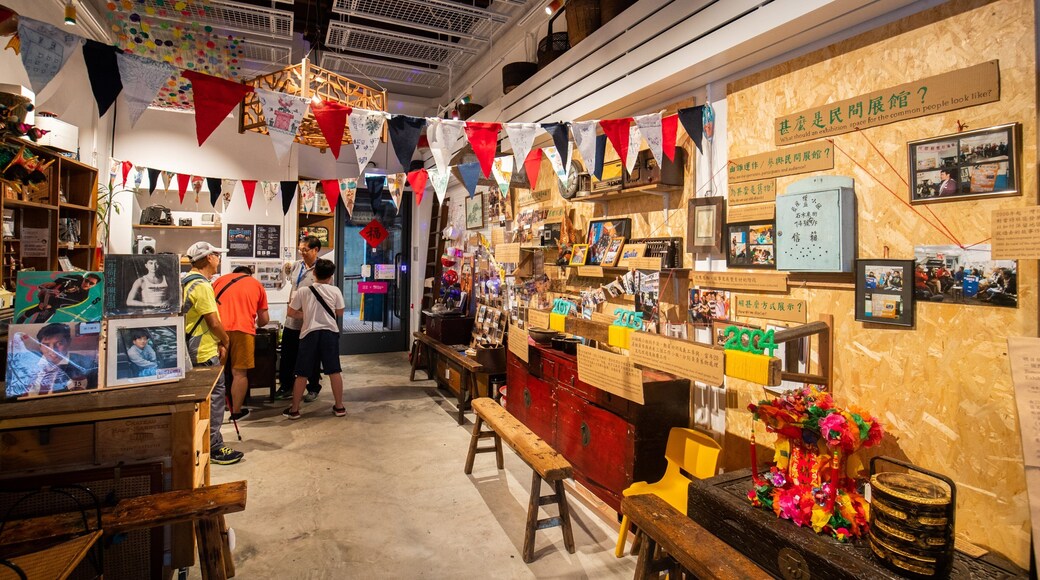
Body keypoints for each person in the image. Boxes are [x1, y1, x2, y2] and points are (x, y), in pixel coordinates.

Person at [182, 241, 242, 466]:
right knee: (215, 398)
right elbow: (213, 321)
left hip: (192, 348)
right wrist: (226, 340)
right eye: (216, 255)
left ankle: (202, 441)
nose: (218, 258)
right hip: (204, 350)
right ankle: (214, 446)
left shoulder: (185, 281)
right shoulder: (202, 286)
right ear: (208, 258)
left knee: (203, 399)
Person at [282, 259, 346, 419]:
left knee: (302, 373)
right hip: (330, 333)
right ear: (331, 276)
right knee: (334, 370)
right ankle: (339, 407)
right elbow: (339, 312)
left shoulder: (303, 291)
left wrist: (306, 315)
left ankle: (295, 409)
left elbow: (291, 312)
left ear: (314, 273)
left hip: (309, 333)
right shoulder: (335, 290)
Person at [213, 265, 270, 420]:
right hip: (243, 330)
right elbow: (264, 320)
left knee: (215, 373)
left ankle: (214, 411)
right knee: (239, 373)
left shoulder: (218, 281)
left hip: (218, 330)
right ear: (249, 274)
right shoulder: (256, 284)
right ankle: (236, 412)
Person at [275, 236, 323, 402]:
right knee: (288, 355)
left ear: (316, 250)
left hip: (311, 321)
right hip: (292, 319)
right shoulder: (296, 266)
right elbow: (287, 285)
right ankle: (286, 386)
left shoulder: (322, 267)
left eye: (305, 250)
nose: (302, 253)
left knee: (312, 355)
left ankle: (313, 387)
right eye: (300, 249)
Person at [7, 323, 97, 397]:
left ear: (69, 342)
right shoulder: (24, 363)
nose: (52, 350)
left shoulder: (87, 365)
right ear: (40, 346)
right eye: (46, 345)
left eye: (59, 343)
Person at [16, 273, 101, 323]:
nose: (87, 284)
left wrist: (51, 306)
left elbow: (64, 304)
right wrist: (54, 283)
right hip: (50, 292)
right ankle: (24, 316)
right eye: (86, 281)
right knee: (39, 306)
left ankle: (32, 323)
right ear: (84, 279)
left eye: (91, 283)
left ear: (94, 285)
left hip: (55, 302)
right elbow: (64, 278)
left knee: (47, 311)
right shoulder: (78, 278)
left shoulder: (83, 296)